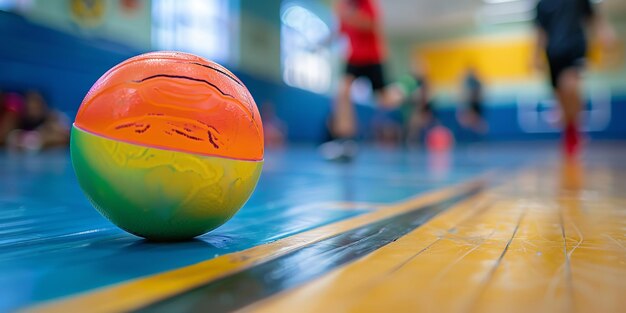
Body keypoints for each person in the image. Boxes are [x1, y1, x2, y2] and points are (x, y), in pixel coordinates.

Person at [320, 0, 403, 161]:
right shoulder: (342, 6)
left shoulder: (367, 3)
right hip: (354, 58)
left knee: (385, 99)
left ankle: (402, 91)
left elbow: (371, 25)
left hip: (373, 58)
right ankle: (346, 141)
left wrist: (350, 15)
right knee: (342, 91)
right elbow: (340, 31)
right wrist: (322, 42)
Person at [534, 0, 615, 157]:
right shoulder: (542, 4)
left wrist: (604, 32)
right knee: (562, 97)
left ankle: (575, 129)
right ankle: (569, 128)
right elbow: (540, 31)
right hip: (553, 53)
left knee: (570, 86)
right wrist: (536, 55)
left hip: (575, 47)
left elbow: (593, 16)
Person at [2, 90, 70, 151]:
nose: (33, 107)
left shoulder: (53, 119)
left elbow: (64, 138)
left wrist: (42, 140)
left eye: (37, 103)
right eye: (31, 104)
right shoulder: (19, 122)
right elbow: (9, 139)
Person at [458, 67, 487, 135]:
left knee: (475, 120)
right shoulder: (467, 82)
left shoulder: (477, 82)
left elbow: (479, 93)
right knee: (468, 120)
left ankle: (480, 133)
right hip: (470, 104)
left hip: (475, 104)